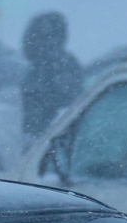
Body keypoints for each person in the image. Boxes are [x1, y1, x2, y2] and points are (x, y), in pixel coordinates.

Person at [20, 11, 82, 140]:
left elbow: (67, 103)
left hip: (52, 138)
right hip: (44, 137)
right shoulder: (41, 66)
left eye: (34, 37)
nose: (27, 42)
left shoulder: (57, 66)